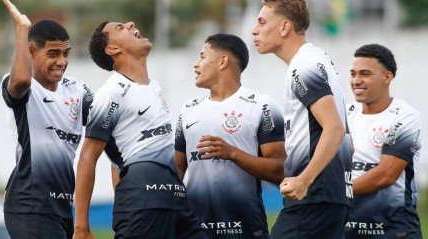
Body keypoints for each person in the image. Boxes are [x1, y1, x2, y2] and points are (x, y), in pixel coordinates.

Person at [73, 21, 206, 239]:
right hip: (143, 201)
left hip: (175, 199)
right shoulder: (112, 92)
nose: (131, 23)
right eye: (120, 27)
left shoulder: (153, 86)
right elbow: (88, 156)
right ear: (113, 49)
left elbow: (118, 159)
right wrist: (81, 228)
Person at [251, 0, 353, 238]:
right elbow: (348, 139)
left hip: (315, 196)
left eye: (262, 22)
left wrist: (304, 180)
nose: (254, 30)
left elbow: (335, 129)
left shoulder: (304, 65)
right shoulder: (317, 59)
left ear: (285, 27)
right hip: (329, 194)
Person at [175, 33, 286, 239]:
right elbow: (177, 171)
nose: (196, 64)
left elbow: (281, 171)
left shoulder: (262, 105)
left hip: (245, 229)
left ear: (223, 61)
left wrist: (233, 153)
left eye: (202, 56)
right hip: (195, 231)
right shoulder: (188, 109)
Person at [0, 0, 93, 238]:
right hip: (29, 206)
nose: (62, 61)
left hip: (62, 208)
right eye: (53, 53)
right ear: (31, 52)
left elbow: (107, 124)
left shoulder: (76, 89)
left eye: (65, 53)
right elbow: (21, 81)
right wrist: (23, 29)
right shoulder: (21, 85)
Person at [345, 44, 422, 239]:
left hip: (393, 230)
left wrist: (334, 194)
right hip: (347, 230)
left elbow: (385, 175)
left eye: (365, 74)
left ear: (387, 77)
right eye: (353, 74)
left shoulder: (405, 117)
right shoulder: (344, 114)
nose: (356, 80)